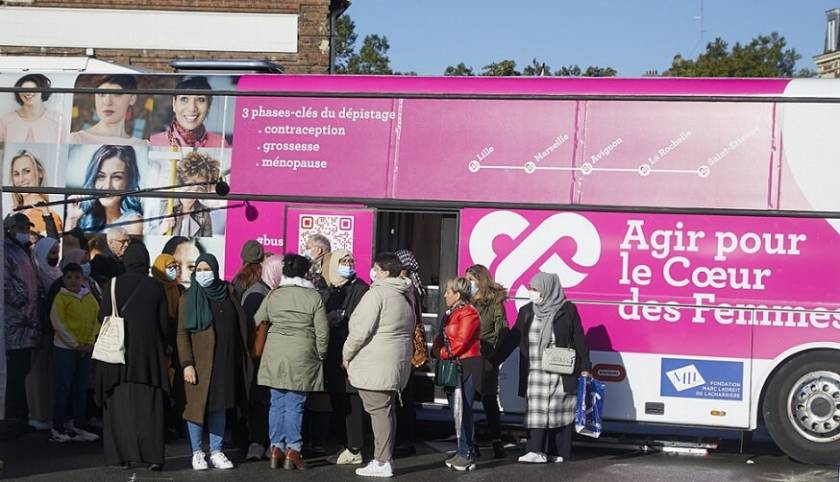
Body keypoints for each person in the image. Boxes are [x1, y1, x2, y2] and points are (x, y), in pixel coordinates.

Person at [488, 272, 591, 464]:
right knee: (536, 410)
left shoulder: (567, 310)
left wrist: (586, 368)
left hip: (561, 370)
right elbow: (513, 338)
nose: (532, 292)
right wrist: (493, 361)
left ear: (548, 289)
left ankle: (557, 451)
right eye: (531, 289)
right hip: (535, 371)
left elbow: (579, 340)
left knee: (560, 411)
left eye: (536, 289)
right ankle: (535, 450)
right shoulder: (527, 311)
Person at [94, 242, 169, 470]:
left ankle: (120, 456)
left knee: (119, 408)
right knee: (149, 409)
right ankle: (153, 457)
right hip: (148, 358)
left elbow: (102, 317)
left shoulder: (112, 285)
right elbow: (164, 325)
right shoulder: (156, 287)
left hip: (118, 357)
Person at [342, 253, 415, 478]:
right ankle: (383, 458)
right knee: (386, 411)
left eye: (375, 268)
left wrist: (346, 353)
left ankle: (382, 461)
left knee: (379, 412)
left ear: (384, 272)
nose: (372, 271)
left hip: (376, 362)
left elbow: (360, 330)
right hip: (395, 360)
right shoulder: (405, 294)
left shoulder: (377, 294)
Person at [177, 253, 251, 471]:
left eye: (206, 269)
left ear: (215, 270)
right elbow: (181, 333)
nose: (202, 274)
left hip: (224, 360)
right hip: (199, 363)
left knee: (219, 407)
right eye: (198, 270)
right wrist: (186, 363)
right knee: (196, 408)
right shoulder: (188, 297)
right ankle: (197, 452)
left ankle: (216, 451)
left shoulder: (228, 293)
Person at [255, 254, 327, 470]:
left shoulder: (273, 295)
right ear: (306, 273)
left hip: (275, 352)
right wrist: (321, 354)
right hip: (303, 353)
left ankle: (276, 447)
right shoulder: (313, 297)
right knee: (295, 403)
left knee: (276, 402)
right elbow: (322, 332)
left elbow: (258, 319)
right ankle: (293, 450)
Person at [322, 249, 369, 466]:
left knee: (352, 399)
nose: (348, 265)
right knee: (338, 399)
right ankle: (344, 443)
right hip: (332, 351)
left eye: (351, 260)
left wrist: (339, 319)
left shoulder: (360, 288)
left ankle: (355, 445)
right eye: (343, 261)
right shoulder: (329, 290)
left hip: (351, 352)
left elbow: (358, 320)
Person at [432, 277, 483, 472]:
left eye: (448, 292)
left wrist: (442, 352)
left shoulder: (469, 313)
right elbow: (440, 337)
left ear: (458, 294)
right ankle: (464, 448)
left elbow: (460, 342)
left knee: (464, 410)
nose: (444, 295)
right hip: (453, 365)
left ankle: (466, 453)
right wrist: (438, 349)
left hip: (466, 365)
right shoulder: (450, 313)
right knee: (456, 410)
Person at [49, 263, 101, 442]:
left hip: (85, 348)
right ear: (64, 279)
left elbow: (97, 319)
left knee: (81, 388)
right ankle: (57, 426)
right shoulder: (61, 298)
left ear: (83, 279)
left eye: (76, 277)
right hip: (65, 349)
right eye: (69, 277)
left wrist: (90, 342)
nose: (73, 281)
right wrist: (75, 344)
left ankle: (79, 424)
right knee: (64, 388)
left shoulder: (89, 297)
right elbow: (59, 324)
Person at [241, 255, 284, 462]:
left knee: (267, 400)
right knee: (261, 400)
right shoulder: (259, 294)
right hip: (261, 356)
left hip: (268, 356)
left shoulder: (269, 291)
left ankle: (264, 442)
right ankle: (258, 442)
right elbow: (253, 326)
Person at [465, 264, 509, 458]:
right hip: (467, 356)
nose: (468, 284)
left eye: (471, 280)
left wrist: (494, 357)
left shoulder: (494, 303)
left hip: (486, 356)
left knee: (489, 400)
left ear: (480, 281)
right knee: (466, 399)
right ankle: (469, 442)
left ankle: (496, 442)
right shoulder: (465, 301)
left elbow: (502, 331)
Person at [3, 213, 41, 426]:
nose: (26, 232)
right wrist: (22, 303)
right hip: (14, 324)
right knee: (14, 372)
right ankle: (11, 417)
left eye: (27, 228)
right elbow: (6, 284)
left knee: (22, 370)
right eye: (22, 228)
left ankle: (20, 416)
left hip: (28, 324)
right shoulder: (5, 251)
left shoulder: (25, 251)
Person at [25, 237, 62, 431]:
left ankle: (48, 414)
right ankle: (37, 414)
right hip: (39, 332)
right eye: (52, 253)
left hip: (57, 334)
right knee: (38, 376)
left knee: (51, 378)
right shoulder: (36, 274)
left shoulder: (59, 274)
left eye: (57, 252)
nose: (55, 257)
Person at [65, 145, 144, 235]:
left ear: (128, 182)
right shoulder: (89, 221)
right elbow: (69, 247)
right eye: (101, 176)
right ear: (93, 180)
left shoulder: (133, 223)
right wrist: (72, 219)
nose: (107, 186)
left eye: (116, 177)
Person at [393, 249, 427, 457]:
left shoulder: (407, 289)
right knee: (406, 395)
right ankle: (405, 439)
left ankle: (403, 440)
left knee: (402, 396)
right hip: (410, 348)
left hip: (403, 347)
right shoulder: (416, 288)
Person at [151, 253, 185, 439]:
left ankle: (175, 423)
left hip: (176, 343)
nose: (174, 270)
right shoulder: (154, 289)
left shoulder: (179, 289)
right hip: (160, 345)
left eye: (175, 266)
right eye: (170, 266)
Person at [149, 76, 229, 148]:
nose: (192, 108)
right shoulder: (153, 142)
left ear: (209, 105)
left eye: (200, 100)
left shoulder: (220, 144)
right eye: (184, 99)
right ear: (174, 103)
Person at [155, 151, 222, 237]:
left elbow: (208, 240)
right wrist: (161, 230)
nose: (195, 190)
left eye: (200, 186)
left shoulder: (204, 213)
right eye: (191, 183)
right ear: (181, 181)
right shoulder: (166, 204)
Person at [69, 75, 146, 146]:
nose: (107, 102)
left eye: (117, 94)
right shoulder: (75, 140)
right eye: (101, 94)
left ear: (132, 99)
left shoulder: (143, 145)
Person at [7, 150, 63, 238]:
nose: (21, 179)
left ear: (40, 173)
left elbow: (52, 249)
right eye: (16, 174)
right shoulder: (13, 214)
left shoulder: (49, 216)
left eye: (27, 171)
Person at [0, 73, 61, 143]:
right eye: (23, 90)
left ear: (43, 92)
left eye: (33, 89)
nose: (27, 93)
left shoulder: (57, 120)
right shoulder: (6, 120)